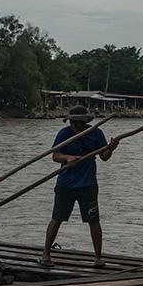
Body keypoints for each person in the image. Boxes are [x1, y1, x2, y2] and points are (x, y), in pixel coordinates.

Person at [41, 105, 119, 269]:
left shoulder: (96, 133)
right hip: (66, 184)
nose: (74, 126)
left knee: (94, 220)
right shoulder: (64, 133)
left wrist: (111, 148)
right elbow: (55, 155)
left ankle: (98, 257)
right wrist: (68, 158)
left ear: (85, 122)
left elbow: (104, 157)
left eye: (78, 123)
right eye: (72, 123)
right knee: (57, 218)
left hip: (87, 184)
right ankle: (46, 254)